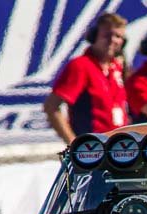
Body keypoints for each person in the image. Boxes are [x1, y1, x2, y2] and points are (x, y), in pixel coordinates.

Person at [44, 12, 129, 144]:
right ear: (94, 36)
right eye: (107, 35)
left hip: (118, 146)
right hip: (92, 146)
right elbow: (51, 106)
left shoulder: (117, 68)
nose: (112, 40)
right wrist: (73, 143)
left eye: (118, 36)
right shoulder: (80, 66)